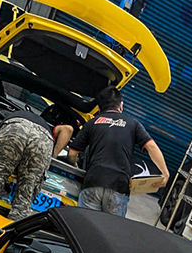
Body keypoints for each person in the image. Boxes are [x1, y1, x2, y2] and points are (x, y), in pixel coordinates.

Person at [63, 86, 168, 217]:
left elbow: (72, 152)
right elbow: (151, 146)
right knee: (110, 228)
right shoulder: (133, 124)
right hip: (118, 186)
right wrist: (165, 173)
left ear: (99, 108)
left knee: (85, 225)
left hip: (93, 181)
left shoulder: (92, 123)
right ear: (121, 105)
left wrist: (74, 165)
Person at [0, 111, 74, 221]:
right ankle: (12, 228)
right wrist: (53, 156)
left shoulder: (16, 115)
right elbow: (68, 129)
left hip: (15, 128)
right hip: (43, 139)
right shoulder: (48, 127)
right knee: (24, 198)